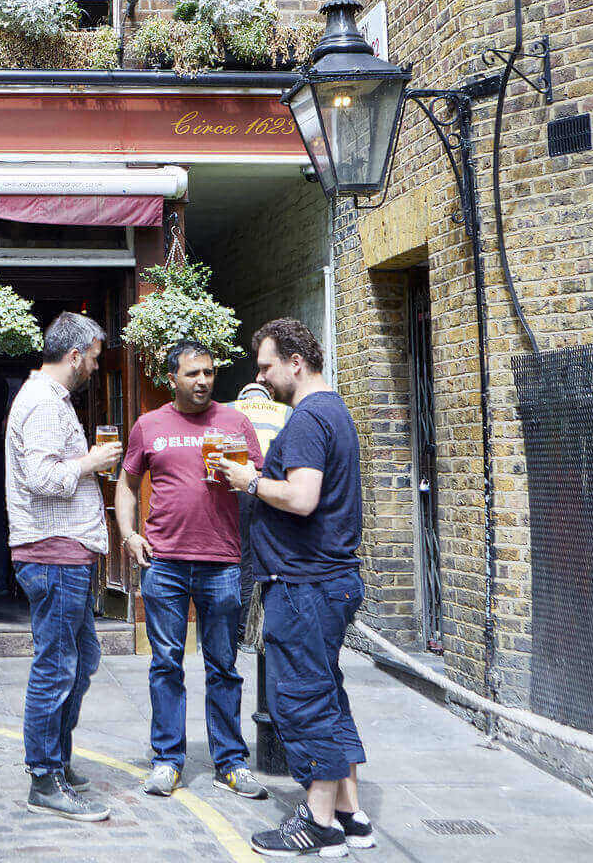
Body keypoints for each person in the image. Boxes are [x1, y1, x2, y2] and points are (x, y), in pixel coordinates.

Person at [213, 317, 373, 858]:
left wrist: (250, 481)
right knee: (326, 692)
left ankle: (320, 824)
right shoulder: (335, 411)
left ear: (295, 363)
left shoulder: (307, 419)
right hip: (327, 582)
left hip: (306, 585)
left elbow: (303, 498)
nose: (261, 377)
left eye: (265, 366)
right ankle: (351, 814)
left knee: (303, 701)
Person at [113, 341, 267, 800]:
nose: (202, 381)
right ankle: (167, 761)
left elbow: (260, 482)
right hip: (165, 563)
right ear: (172, 379)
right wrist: (128, 535)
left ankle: (231, 762)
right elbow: (127, 484)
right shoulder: (150, 425)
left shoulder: (235, 422)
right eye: (193, 374)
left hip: (221, 562)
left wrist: (243, 476)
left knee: (223, 665)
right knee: (166, 665)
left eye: (209, 372)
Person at [5, 312, 123, 823]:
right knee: (56, 665)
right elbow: (43, 479)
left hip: (64, 551)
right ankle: (44, 777)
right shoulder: (40, 403)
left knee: (82, 659)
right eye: (94, 358)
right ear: (74, 355)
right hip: (51, 553)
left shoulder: (50, 401)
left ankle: (58, 759)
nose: (96, 368)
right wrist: (92, 463)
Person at [233, 380, 293, 649]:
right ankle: (273, 628)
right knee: (275, 556)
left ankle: (244, 631)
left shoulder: (229, 409)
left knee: (243, 559)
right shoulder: (285, 412)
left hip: (240, 491)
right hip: (273, 489)